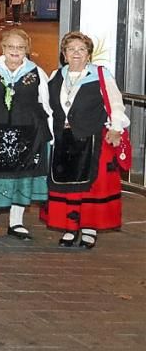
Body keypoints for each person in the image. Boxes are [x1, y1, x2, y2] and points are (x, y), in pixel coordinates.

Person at [41, 32, 130, 249]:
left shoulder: (100, 75)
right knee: (68, 186)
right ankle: (70, 228)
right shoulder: (56, 76)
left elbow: (116, 103)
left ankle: (89, 230)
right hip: (64, 140)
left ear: (89, 54)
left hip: (92, 140)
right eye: (71, 49)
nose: (76, 53)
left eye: (81, 49)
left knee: (92, 188)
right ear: (64, 54)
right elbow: (48, 107)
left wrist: (116, 128)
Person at [0, 28, 50, 239]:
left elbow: (45, 105)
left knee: (20, 176)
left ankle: (16, 222)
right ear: (3, 47)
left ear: (27, 49)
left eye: (21, 47)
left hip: (26, 134)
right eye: (11, 46)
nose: (15, 51)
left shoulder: (37, 72)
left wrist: (49, 137)